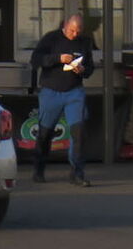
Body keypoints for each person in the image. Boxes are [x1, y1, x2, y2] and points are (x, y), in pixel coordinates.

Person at [29, 12, 97, 186]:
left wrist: (82, 70)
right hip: (51, 91)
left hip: (74, 91)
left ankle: (77, 172)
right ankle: (39, 168)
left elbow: (90, 68)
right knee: (45, 132)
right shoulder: (51, 38)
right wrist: (57, 58)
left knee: (79, 132)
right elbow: (36, 59)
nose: (75, 34)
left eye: (78, 31)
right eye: (72, 30)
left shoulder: (84, 42)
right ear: (65, 25)